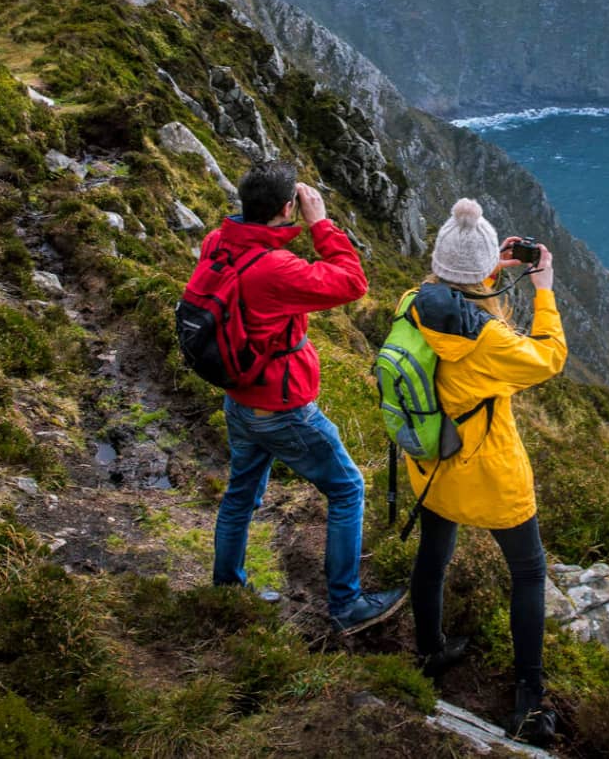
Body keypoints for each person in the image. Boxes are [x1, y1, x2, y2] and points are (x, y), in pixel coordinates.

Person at [205, 160, 403, 635]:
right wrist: (319, 224)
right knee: (347, 487)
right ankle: (346, 605)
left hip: (238, 396)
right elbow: (353, 283)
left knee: (240, 495)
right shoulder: (275, 269)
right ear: (285, 207)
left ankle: (228, 591)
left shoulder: (218, 243)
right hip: (280, 405)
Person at [404, 198, 567, 744]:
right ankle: (528, 696)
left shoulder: (412, 303)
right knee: (528, 573)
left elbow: (452, 289)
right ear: (478, 273)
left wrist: (487, 266)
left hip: (431, 462)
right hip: (489, 472)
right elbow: (548, 357)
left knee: (434, 557)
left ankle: (428, 650)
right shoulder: (489, 339)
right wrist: (543, 291)